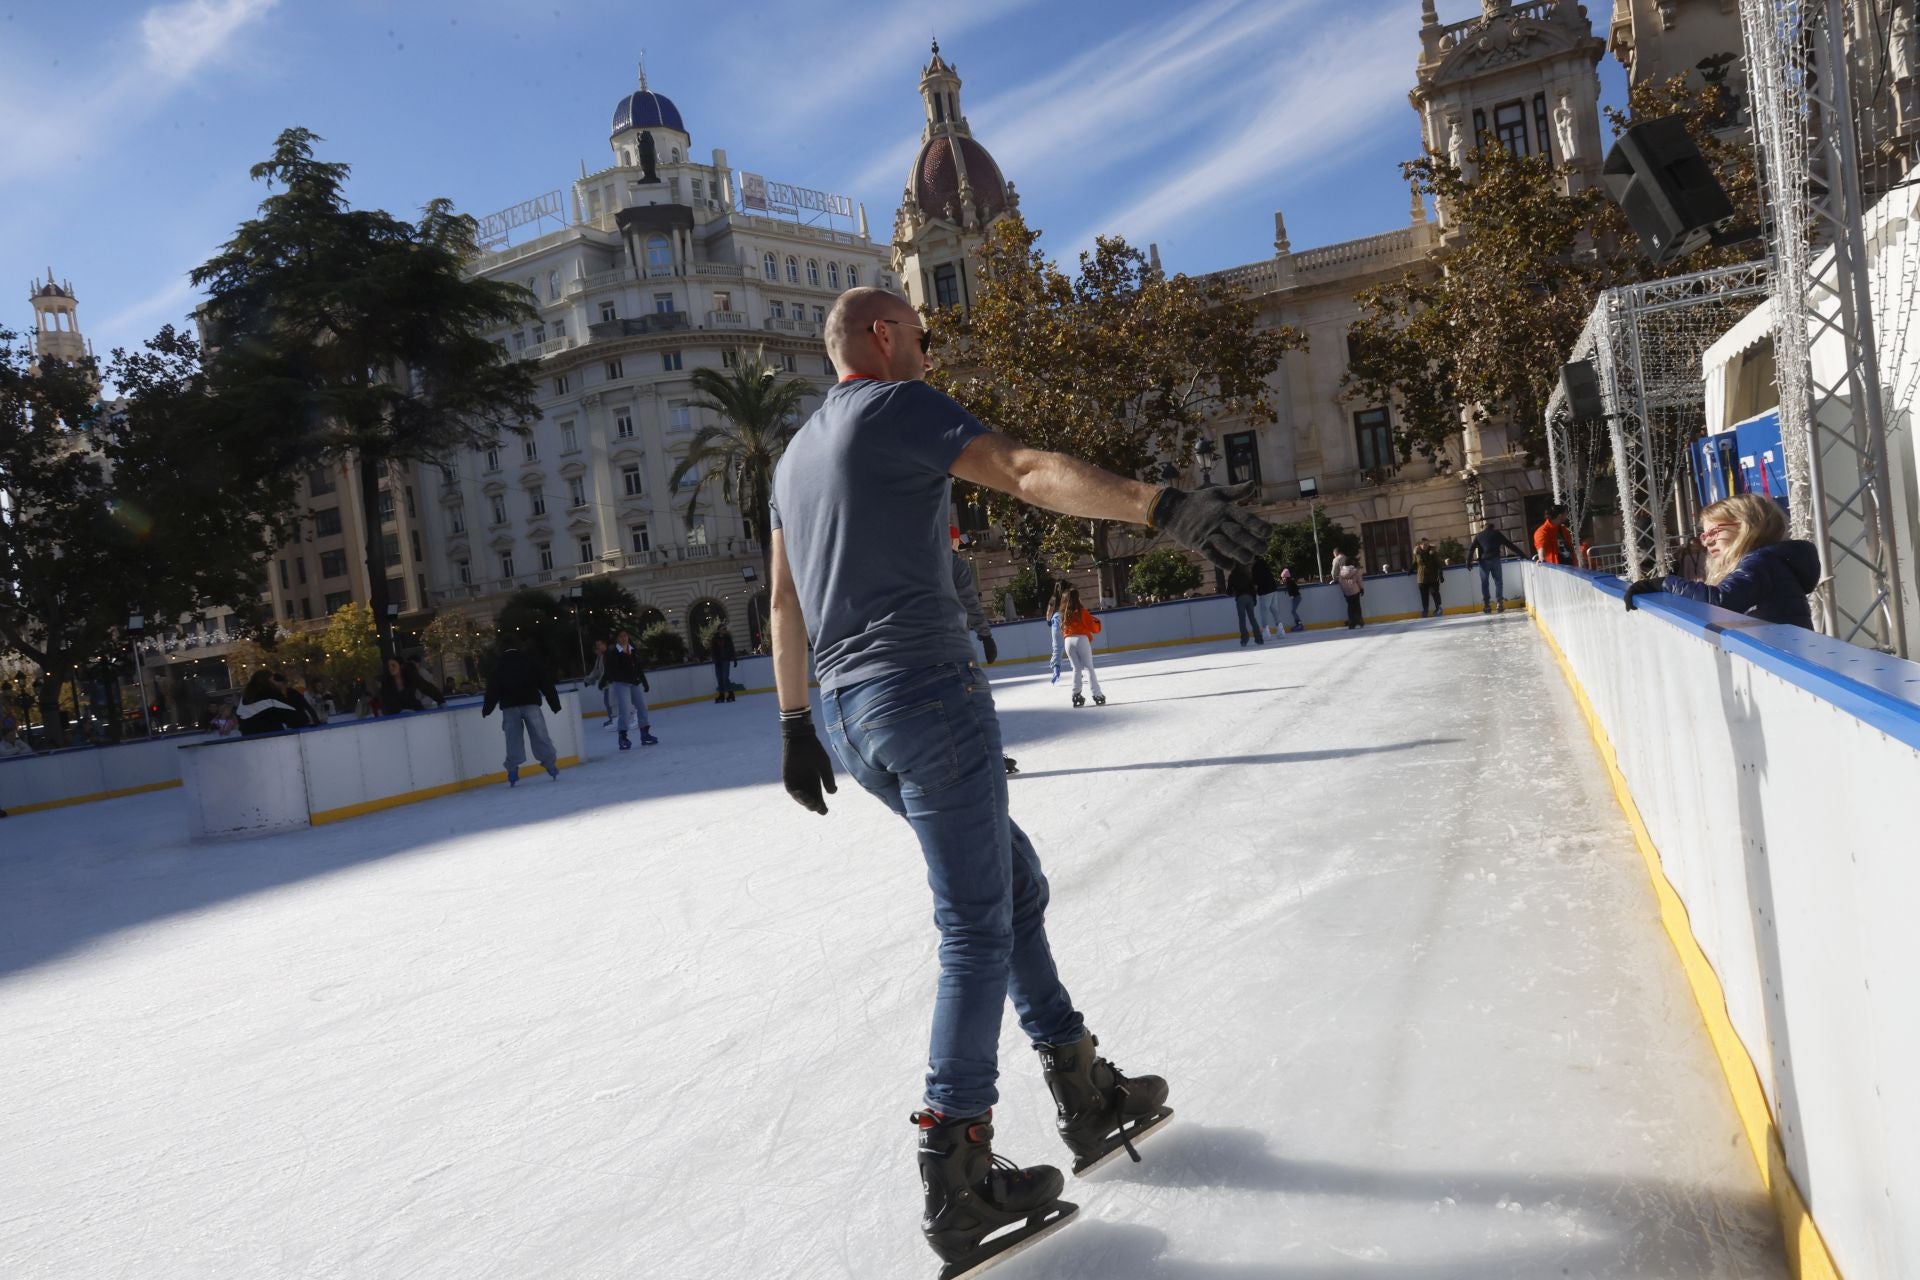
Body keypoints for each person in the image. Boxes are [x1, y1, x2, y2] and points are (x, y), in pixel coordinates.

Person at [768, 288, 1258, 1275]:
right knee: (977, 923)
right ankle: (957, 1166)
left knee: (1014, 887)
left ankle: (1084, 1086)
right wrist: (1157, 503)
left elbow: (781, 598)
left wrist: (792, 724)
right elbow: (1027, 471)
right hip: (925, 690)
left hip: (850, 714)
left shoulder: (790, 458)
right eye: (921, 333)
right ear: (878, 335)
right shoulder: (897, 406)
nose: (931, 349)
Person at [1624, 493, 1818, 628]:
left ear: (1746, 527)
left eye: (1714, 532)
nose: (1707, 541)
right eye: (1704, 535)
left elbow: (1720, 600)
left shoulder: (1761, 563)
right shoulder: (1765, 562)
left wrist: (1663, 583)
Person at [948, 529, 1017, 775]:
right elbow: (970, 602)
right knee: (974, 699)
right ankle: (990, 755)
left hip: (915, 646)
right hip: (952, 643)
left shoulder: (915, 559)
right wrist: (985, 634)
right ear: (953, 540)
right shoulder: (953, 564)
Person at [482, 643, 563, 785]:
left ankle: (512, 770)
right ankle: (550, 765)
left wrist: (487, 709)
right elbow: (545, 683)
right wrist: (554, 704)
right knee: (540, 735)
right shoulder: (530, 661)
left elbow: (492, 690)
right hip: (530, 703)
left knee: (513, 739)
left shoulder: (499, 665)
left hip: (509, 707)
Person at [600, 629, 657, 749]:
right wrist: (605, 679)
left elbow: (638, 668)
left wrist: (644, 682)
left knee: (642, 707)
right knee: (625, 710)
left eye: (625, 635)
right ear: (617, 638)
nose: (623, 638)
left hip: (634, 682)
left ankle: (645, 734)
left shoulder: (632, 650)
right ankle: (623, 737)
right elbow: (611, 670)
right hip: (621, 684)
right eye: (621, 636)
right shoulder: (613, 652)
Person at [1059, 587, 1107, 706]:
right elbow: (1093, 627)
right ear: (1077, 598)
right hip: (1081, 639)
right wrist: (1097, 623)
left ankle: (1076, 694)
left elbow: (1062, 629)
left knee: (1076, 668)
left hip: (1068, 641)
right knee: (1089, 668)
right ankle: (1097, 694)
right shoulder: (1081, 611)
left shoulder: (1063, 614)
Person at [1467, 523, 1526, 614]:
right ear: (1492, 527)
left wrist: (1468, 561)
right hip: (1495, 560)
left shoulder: (1479, 535)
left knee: (1485, 583)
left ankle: (1487, 605)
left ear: (1484, 528)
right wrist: (1522, 554)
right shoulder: (1497, 534)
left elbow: (1471, 549)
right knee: (1498, 582)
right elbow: (1510, 545)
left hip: (1484, 562)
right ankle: (1499, 603)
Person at [235, 670, 307, 735]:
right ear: (269, 680)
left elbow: (240, 717)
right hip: (271, 735)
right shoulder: (270, 694)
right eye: (274, 679)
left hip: (248, 738)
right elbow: (294, 717)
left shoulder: (245, 697)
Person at [377, 657, 442, 716]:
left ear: (400, 666)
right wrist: (399, 711)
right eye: (389, 666)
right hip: (396, 715)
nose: (390, 668)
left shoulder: (409, 676)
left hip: (414, 709)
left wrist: (441, 701)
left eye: (393, 665)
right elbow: (386, 702)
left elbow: (426, 687)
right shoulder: (386, 683)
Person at [1226, 561, 1264, 646]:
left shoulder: (1232, 576)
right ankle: (1259, 638)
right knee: (1252, 618)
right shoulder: (1247, 575)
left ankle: (1244, 639)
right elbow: (1252, 588)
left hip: (1240, 598)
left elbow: (1228, 591)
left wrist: (1232, 592)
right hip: (1249, 597)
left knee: (1242, 620)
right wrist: (1254, 599)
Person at [1413, 536, 1444, 618]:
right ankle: (1425, 610)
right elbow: (1415, 563)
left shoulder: (1433, 552)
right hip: (1421, 578)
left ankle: (1439, 608)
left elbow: (1438, 563)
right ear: (1419, 545)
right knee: (1424, 595)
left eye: (1426, 544)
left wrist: (1441, 574)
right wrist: (1410, 569)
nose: (1425, 546)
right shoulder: (1417, 553)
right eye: (1423, 544)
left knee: (1435, 593)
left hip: (1432, 577)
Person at [583, 638, 612, 726]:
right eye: (597, 646)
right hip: (606, 683)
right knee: (608, 702)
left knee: (610, 702)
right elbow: (596, 671)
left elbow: (607, 670)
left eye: (599, 645)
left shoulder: (608, 655)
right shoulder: (600, 657)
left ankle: (614, 719)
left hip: (611, 683)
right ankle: (613, 719)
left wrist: (604, 680)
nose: (598, 648)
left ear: (604, 645)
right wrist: (588, 680)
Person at [711, 621, 738, 704]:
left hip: (726, 660)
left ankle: (730, 693)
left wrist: (734, 659)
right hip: (718, 661)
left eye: (725, 629)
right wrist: (714, 659)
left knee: (725, 677)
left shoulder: (727, 638)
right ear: (719, 630)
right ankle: (722, 694)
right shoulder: (714, 638)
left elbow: (731, 648)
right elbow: (713, 650)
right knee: (719, 678)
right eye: (723, 629)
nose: (725, 630)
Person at [1044, 582, 1066, 684]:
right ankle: (1077, 669)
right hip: (1067, 619)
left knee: (1057, 647)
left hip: (1057, 620)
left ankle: (1056, 670)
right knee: (1072, 646)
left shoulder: (1053, 598)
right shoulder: (1067, 596)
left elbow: (1050, 610)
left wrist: (1048, 620)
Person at [1337, 556, 1365, 629]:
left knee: (1350, 607)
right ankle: (1359, 620)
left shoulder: (1341, 572)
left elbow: (1340, 582)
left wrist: (1344, 590)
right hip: (1355, 591)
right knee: (1357, 606)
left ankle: (1351, 622)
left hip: (1347, 592)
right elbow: (1359, 580)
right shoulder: (1355, 571)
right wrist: (1361, 589)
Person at [1280, 566, 1304, 631]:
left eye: (1283, 577)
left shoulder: (1289, 582)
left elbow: (1291, 589)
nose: (1282, 579)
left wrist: (1291, 595)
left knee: (1293, 611)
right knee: (1293, 611)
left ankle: (1299, 624)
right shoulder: (1290, 581)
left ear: (1285, 577)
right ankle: (1298, 624)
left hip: (1296, 597)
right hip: (1296, 597)